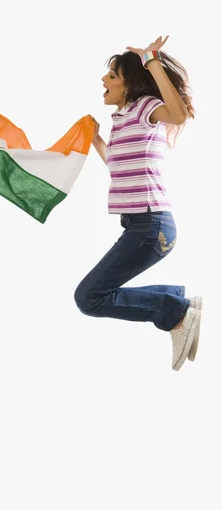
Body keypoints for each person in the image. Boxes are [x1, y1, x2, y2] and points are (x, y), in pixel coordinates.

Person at [74, 36, 201, 371]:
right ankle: (176, 303)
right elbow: (116, 163)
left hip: (151, 224)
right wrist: (96, 138)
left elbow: (177, 113)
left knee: (89, 297)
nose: (104, 80)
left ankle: (176, 310)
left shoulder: (146, 106)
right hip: (139, 225)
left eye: (112, 76)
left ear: (130, 82)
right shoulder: (122, 119)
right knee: (93, 296)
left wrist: (151, 61)